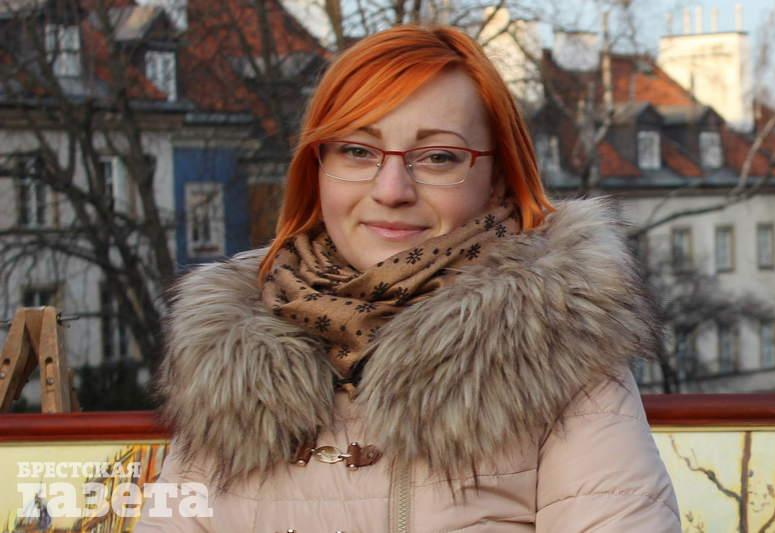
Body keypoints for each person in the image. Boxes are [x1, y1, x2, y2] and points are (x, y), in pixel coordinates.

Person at [134, 24, 681, 532]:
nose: (391, 189)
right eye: (356, 150)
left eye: (438, 157)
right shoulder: (225, 361)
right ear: (317, 167)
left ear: (496, 179)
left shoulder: (561, 350)